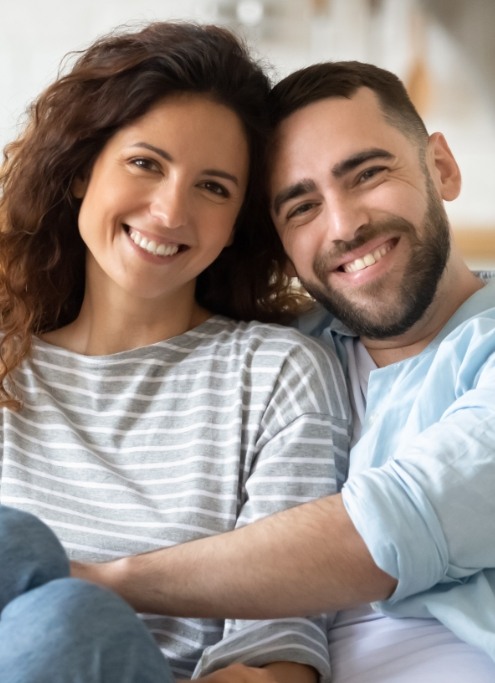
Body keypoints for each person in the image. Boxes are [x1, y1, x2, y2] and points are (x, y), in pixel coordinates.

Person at [72, 60, 495, 681]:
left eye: (369, 174)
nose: (345, 226)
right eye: (301, 207)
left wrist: (104, 581)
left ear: (442, 168)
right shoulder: (284, 358)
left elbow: (396, 525)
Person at [0, 22, 352, 683]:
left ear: (236, 221)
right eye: (145, 163)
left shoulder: (273, 372)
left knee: (69, 621)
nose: (168, 211)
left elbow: (276, 657)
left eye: (212, 187)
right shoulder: (6, 367)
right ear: (81, 172)